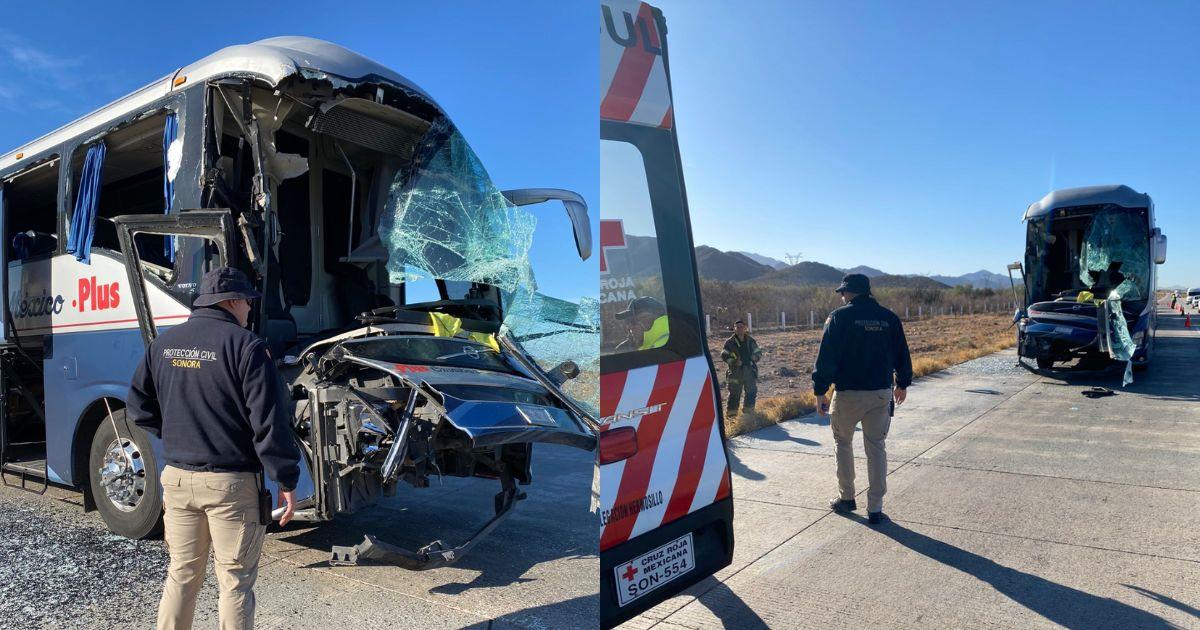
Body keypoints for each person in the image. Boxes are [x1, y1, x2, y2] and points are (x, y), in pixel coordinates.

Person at [127, 266, 302, 630]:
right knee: (234, 582)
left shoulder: (162, 345)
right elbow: (268, 422)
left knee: (181, 575)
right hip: (231, 484)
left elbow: (138, 408)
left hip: (176, 480)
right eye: (248, 303)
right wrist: (286, 479)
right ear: (233, 301)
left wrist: (176, 435)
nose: (250, 310)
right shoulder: (247, 346)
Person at [812, 273, 912, 525]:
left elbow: (826, 357)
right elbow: (902, 352)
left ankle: (847, 498)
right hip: (880, 393)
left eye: (843, 292)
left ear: (849, 292)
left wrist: (820, 390)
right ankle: (875, 508)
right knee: (876, 447)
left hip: (848, 394)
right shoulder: (889, 318)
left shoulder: (838, 317)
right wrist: (902, 383)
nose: (842, 296)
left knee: (843, 442)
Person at [721, 320, 762, 413]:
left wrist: (755, 357)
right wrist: (734, 362)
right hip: (735, 372)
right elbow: (724, 355)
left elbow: (758, 352)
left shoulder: (750, 341)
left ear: (745, 328)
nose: (739, 329)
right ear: (734, 329)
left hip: (749, 371)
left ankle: (748, 415)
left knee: (751, 393)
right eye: (737, 327)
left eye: (741, 327)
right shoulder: (730, 342)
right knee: (734, 395)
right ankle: (732, 419)